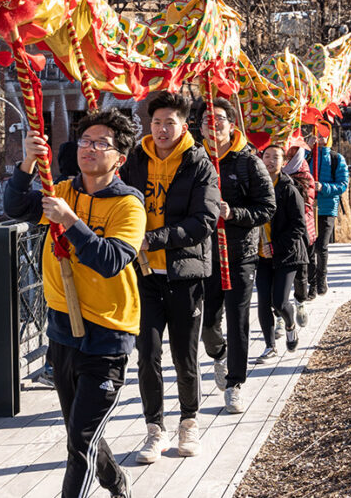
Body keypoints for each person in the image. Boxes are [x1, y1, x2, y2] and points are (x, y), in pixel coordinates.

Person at [4, 108, 144, 498]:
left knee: (79, 442)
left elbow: (111, 260)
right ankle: (116, 480)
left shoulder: (129, 205)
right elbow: (15, 207)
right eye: (85, 141)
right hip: (63, 329)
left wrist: (70, 222)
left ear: (120, 157)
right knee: (77, 430)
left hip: (108, 335)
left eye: (102, 144)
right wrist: (28, 162)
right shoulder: (61, 189)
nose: (90, 149)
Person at [118, 92, 220, 463]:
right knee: (147, 354)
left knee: (184, 357)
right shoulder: (135, 160)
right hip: (143, 274)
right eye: (156, 122)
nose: (161, 129)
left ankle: (189, 424)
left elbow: (204, 221)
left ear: (183, 125)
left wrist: (156, 238)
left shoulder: (199, 164)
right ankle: (153, 430)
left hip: (185, 274)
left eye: (169, 123)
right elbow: (120, 201)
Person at [200, 98, 276, 415]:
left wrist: (234, 213)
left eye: (219, 118)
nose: (212, 123)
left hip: (240, 254)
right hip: (204, 254)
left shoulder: (248, 162)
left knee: (237, 319)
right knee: (208, 325)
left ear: (232, 124)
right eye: (206, 118)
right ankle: (218, 354)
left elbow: (267, 206)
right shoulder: (194, 159)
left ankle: (235, 383)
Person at [254, 143, 310, 362]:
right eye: (266, 156)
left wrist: (276, 246)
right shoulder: (255, 187)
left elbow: (298, 227)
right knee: (262, 302)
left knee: (279, 302)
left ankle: (289, 324)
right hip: (261, 255)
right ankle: (270, 346)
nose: (269, 161)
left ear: (284, 163)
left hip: (287, 255)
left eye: (275, 157)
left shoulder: (289, 189)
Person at [304, 121, 349, 296]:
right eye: (318, 134)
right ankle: (312, 283)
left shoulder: (336, 158)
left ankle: (322, 279)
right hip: (308, 207)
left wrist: (323, 187)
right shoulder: (306, 156)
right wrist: (306, 148)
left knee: (321, 246)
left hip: (326, 207)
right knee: (308, 246)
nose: (321, 138)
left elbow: (342, 184)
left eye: (324, 134)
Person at [283, 143, 317, 327]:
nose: (287, 156)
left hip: (300, 228)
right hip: (278, 230)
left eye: (291, 153)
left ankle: (300, 301)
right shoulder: (272, 171)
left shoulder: (304, 175)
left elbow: (305, 202)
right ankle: (280, 314)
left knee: (301, 269)